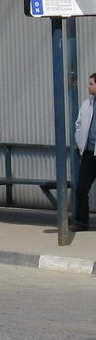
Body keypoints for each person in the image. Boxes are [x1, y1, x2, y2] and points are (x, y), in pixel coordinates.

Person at [71, 73, 96, 232]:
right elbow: (79, 124)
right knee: (81, 189)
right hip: (89, 154)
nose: (89, 86)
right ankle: (81, 222)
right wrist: (80, 142)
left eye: (91, 84)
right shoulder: (87, 104)